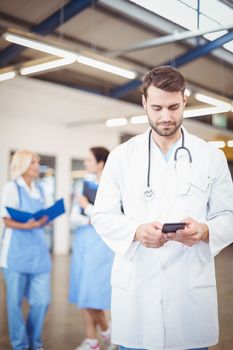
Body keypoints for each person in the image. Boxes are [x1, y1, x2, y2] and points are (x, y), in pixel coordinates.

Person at [92, 66, 233, 350]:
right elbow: (102, 215)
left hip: (189, 296)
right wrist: (135, 232)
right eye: (156, 108)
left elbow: (229, 216)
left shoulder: (210, 157)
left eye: (173, 107)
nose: (165, 117)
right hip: (137, 295)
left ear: (185, 101)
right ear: (144, 103)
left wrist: (205, 230)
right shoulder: (122, 157)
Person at [0, 150, 51, 350]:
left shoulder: (41, 189)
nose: (37, 166)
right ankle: (21, 345)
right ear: (22, 165)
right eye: (32, 163)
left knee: (42, 302)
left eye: (37, 162)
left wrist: (46, 219)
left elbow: (44, 216)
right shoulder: (11, 188)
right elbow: (6, 219)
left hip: (38, 254)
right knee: (14, 304)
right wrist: (27, 226)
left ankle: (34, 342)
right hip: (15, 255)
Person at [69, 147, 115, 350]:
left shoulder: (113, 187)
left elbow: (111, 219)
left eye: (89, 160)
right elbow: (73, 217)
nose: (86, 163)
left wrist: (87, 208)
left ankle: (107, 332)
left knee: (93, 292)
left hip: (101, 246)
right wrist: (89, 217)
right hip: (83, 243)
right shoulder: (83, 185)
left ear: (101, 163)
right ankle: (92, 340)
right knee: (83, 293)